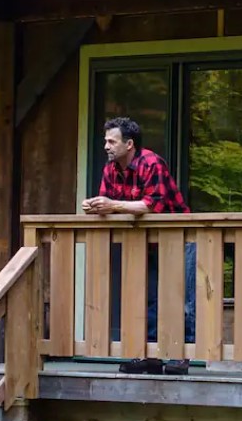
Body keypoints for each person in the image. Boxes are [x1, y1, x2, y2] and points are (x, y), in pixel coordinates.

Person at [81, 117, 197, 350]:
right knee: (149, 299)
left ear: (129, 144)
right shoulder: (110, 170)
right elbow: (110, 205)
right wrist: (95, 206)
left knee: (182, 300)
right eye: (105, 141)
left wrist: (112, 204)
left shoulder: (151, 163)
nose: (106, 146)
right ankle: (149, 355)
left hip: (180, 239)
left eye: (112, 142)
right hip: (145, 243)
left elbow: (151, 205)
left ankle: (184, 357)